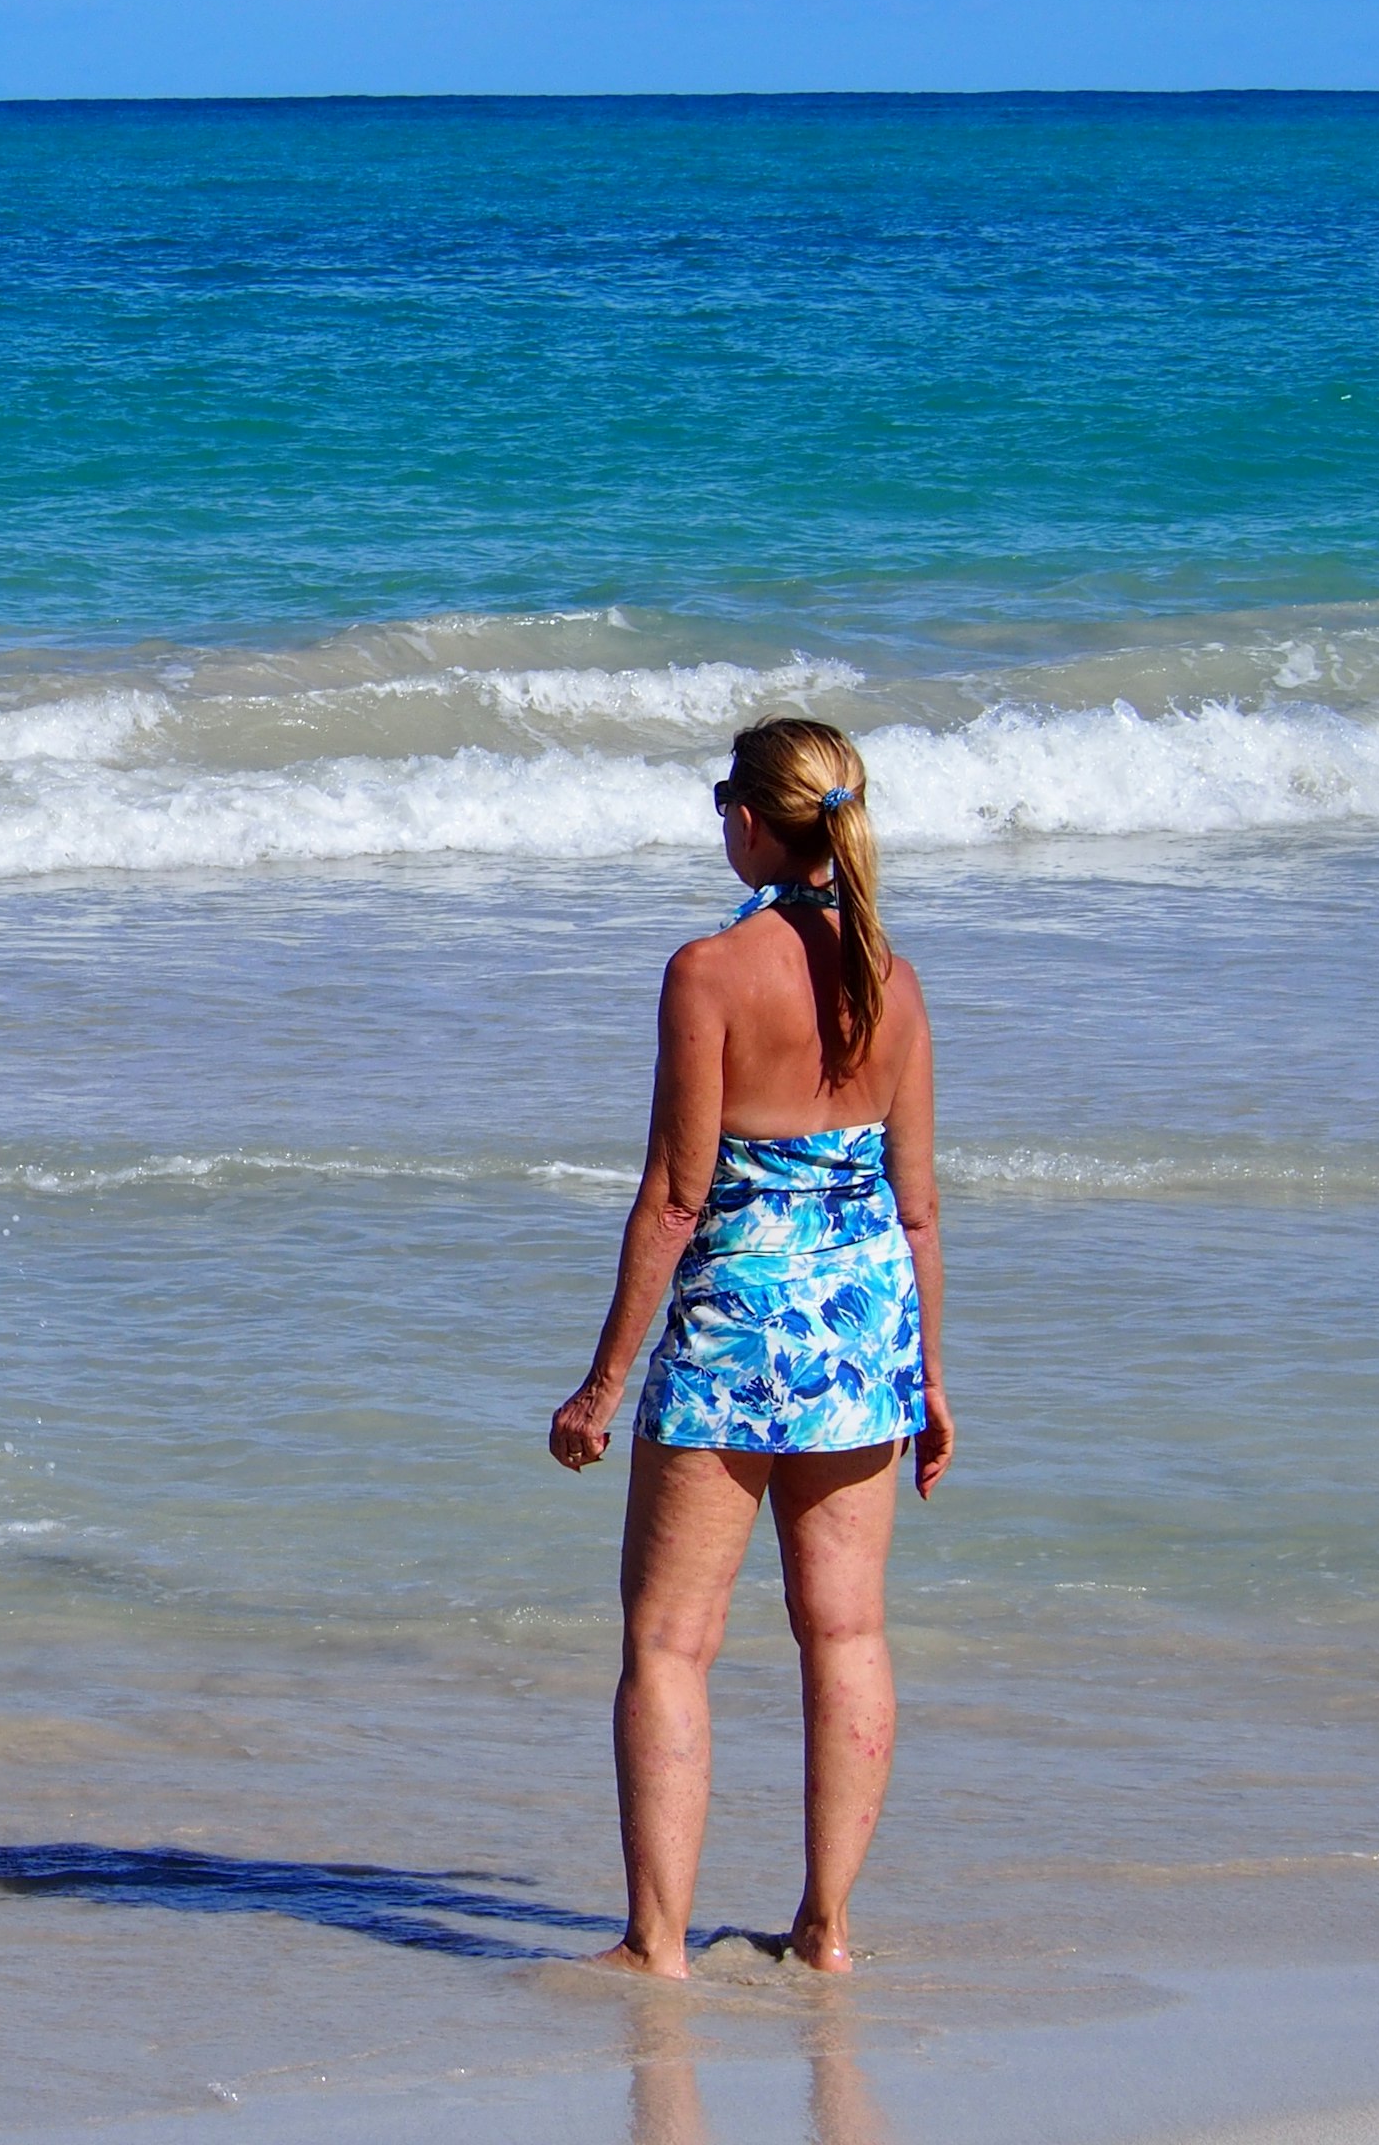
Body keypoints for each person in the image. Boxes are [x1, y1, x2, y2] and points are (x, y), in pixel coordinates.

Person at [547, 716, 955, 1979]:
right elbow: (921, 1202)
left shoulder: (710, 972)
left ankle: (656, 1943)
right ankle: (825, 1930)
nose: (718, 816)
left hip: (736, 1329)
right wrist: (931, 1377)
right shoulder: (895, 976)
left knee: (670, 1643)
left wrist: (602, 1381)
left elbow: (676, 1196)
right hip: (865, 1332)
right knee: (847, 1634)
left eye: (727, 796)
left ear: (761, 822)